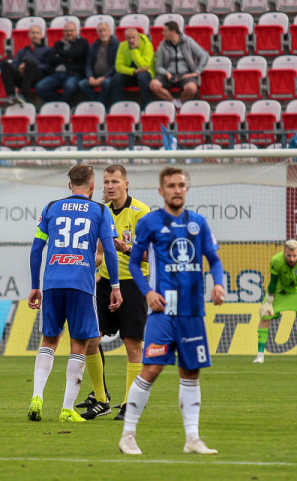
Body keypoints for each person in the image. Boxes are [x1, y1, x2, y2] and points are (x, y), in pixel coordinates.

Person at [118, 166, 226, 456]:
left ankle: (192, 439)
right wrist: (148, 292)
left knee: (190, 372)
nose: (177, 190)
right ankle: (128, 435)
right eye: (171, 186)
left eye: (181, 185)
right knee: (151, 369)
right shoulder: (150, 223)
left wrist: (219, 284)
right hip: (163, 311)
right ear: (161, 191)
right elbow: (133, 263)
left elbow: (214, 259)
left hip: (192, 312)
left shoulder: (199, 223)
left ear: (186, 189)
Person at [27, 164, 123, 423]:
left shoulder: (51, 208)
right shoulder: (101, 210)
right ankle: (67, 409)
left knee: (49, 340)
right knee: (79, 345)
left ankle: (37, 396)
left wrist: (35, 285)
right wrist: (115, 286)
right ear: (92, 187)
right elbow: (110, 252)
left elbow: (37, 249)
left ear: (69, 185)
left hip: (52, 282)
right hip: (81, 284)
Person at [75, 165, 150, 421]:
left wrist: (126, 249)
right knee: (91, 339)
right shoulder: (101, 211)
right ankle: (102, 398)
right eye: (106, 181)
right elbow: (98, 254)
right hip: (106, 283)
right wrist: (82, 265)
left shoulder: (141, 212)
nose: (109, 186)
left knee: (132, 345)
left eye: (115, 181)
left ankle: (130, 402)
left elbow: (152, 254)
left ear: (126, 184)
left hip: (133, 284)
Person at [149, 21, 209, 110]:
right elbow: (159, 66)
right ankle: (173, 103)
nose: (163, 33)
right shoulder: (162, 45)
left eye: (165, 31)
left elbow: (204, 55)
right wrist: (167, 73)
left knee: (191, 89)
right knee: (153, 85)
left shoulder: (188, 41)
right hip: (168, 74)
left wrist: (197, 72)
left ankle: (179, 102)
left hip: (185, 74)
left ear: (173, 32)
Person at [35, 21, 89, 104]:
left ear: (76, 31)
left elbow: (77, 54)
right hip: (57, 74)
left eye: (71, 30)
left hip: (74, 74)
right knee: (40, 87)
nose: (69, 33)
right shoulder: (58, 44)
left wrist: (60, 53)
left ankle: (63, 107)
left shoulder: (83, 42)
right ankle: (61, 104)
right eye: (67, 31)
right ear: (63, 32)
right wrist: (68, 58)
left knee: (69, 87)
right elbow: (51, 59)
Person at [0, 25, 50, 105]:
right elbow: (14, 64)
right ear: (29, 35)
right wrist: (19, 68)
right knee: (4, 64)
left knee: (30, 63)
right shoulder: (22, 51)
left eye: (37, 33)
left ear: (41, 35)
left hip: (38, 78)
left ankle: (23, 95)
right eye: (32, 33)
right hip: (22, 77)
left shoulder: (48, 50)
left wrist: (30, 66)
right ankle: (11, 95)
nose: (35, 35)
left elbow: (48, 66)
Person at [78, 22, 119, 107]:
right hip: (95, 76)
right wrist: (90, 76)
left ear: (110, 31)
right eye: (100, 31)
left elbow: (116, 65)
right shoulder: (93, 46)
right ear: (97, 33)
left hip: (110, 76)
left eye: (105, 30)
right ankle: (98, 104)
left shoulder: (117, 45)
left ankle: (100, 106)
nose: (103, 33)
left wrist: (104, 77)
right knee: (82, 84)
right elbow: (88, 64)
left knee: (106, 83)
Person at [112, 28, 155, 107]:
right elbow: (118, 66)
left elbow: (145, 66)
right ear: (125, 38)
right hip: (131, 73)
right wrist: (134, 71)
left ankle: (147, 105)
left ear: (138, 36)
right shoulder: (122, 45)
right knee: (117, 77)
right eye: (129, 38)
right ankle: (117, 106)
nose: (131, 40)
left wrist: (134, 50)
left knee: (142, 76)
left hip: (146, 74)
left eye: (133, 37)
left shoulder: (147, 45)